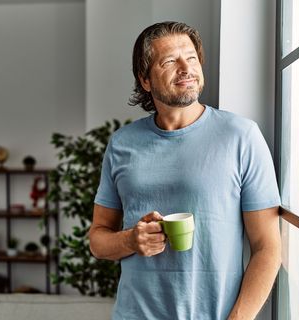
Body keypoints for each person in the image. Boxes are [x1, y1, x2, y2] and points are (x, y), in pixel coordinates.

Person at [89, 21, 281, 320]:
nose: (186, 68)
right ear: (145, 80)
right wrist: (129, 240)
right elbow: (98, 241)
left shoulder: (241, 135)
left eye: (191, 58)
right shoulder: (122, 143)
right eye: (169, 61)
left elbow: (267, 248)